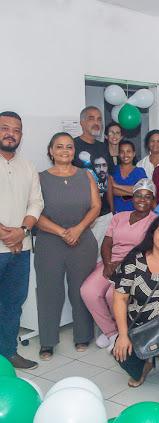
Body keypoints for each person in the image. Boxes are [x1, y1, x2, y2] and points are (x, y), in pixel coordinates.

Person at [35, 132, 101, 360]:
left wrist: (78, 229)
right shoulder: (39, 178)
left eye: (69, 147)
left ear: (74, 151)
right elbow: (34, 212)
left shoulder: (86, 175)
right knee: (49, 293)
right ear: (51, 151)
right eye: (59, 146)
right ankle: (47, 341)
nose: (65, 151)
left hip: (82, 240)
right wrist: (62, 232)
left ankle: (83, 336)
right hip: (49, 241)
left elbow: (96, 206)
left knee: (80, 290)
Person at [111, 214, 159, 387]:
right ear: (153, 232)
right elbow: (120, 298)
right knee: (123, 354)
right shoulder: (134, 259)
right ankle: (144, 365)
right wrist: (122, 335)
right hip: (138, 324)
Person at [81, 179, 157, 350]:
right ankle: (111, 333)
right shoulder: (119, 217)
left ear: (153, 200)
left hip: (136, 266)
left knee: (112, 295)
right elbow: (107, 243)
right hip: (110, 261)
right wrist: (108, 264)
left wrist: (122, 265)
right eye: (138, 195)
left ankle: (122, 330)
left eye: (147, 197)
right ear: (132, 197)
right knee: (88, 291)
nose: (142, 200)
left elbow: (147, 250)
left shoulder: (155, 221)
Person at [0, 111, 44, 370]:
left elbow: (36, 202)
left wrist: (22, 230)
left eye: (16, 130)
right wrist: (6, 234)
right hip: (7, 243)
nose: (10, 134)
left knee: (12, 304)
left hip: (20, 248)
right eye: (5, 128)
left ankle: (8, 353)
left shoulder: (28, 166)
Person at [73, 106, 114, 251]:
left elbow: (108, 180)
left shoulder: (104, 147)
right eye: (91, 118)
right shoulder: (72, 146)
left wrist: (112, 210)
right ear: (82, 122)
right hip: (80, 215)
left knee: (102, 256)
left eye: (99, 119)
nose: (96, 123)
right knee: (82, 257)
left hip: (104, 215)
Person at [111, 140, 147, 213]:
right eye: (122, 152)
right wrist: (134, 192)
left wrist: (116, 185)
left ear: (134, 154)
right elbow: (112, 191)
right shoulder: (113, 170)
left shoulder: (139, 171)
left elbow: (143, 191)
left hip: (135, 212)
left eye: (128, 151)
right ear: (118, 154)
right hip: (116, 213)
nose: (125, 155)